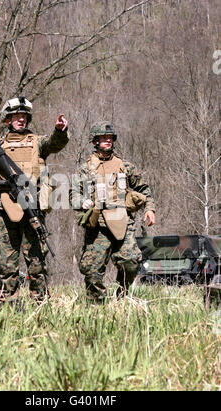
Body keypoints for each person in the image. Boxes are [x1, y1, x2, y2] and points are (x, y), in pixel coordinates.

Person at [0, 96, 68, 306]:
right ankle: (7, 304)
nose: (21, 120)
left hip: (32, 209)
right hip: (4, 210)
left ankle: (40, 304)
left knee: (36, 262)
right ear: (8, 119)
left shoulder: (37, 142)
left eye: (24, 116)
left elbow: (55, 143)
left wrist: (60, 130)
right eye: (16, 115)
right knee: (6, 262)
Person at [71, 121, 155, 303]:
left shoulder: (125, 166)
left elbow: (145, 189)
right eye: (103, 138)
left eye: (110, 138)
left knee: (131, 262)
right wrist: (82, 202)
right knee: (92, 270)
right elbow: (73, 194)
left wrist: (149, 209)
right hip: (97, 226)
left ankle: (122, 296)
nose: (107, 141)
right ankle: (97, 304)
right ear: (95, 141)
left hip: (123, 222)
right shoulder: (85, 169)